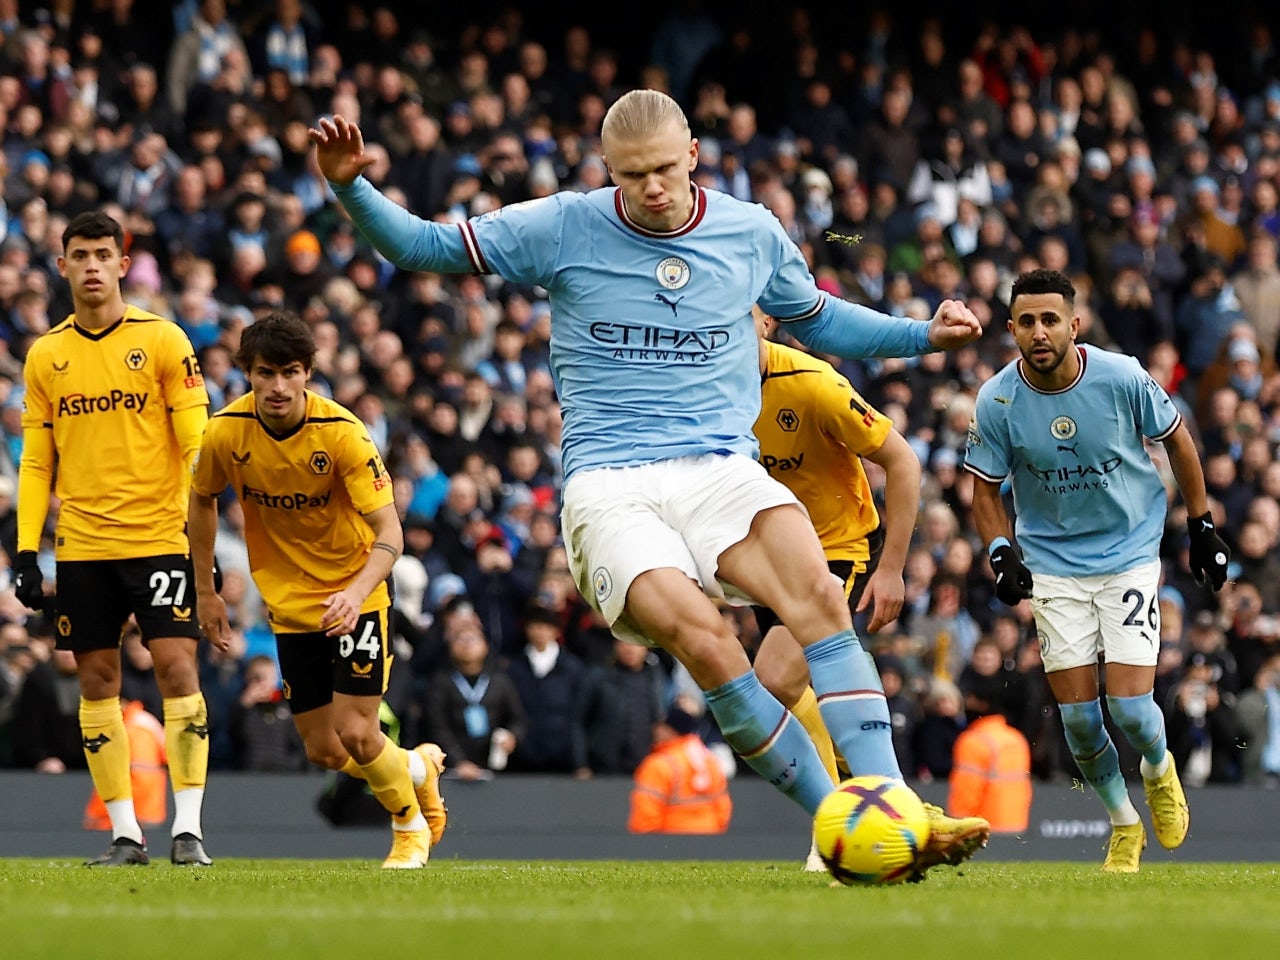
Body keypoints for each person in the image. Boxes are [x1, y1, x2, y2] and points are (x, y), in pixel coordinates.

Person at [310, 89, 984, 877]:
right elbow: (425, 247)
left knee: (822, 602)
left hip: (722, 469)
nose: (652, 188)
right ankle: (841, 824)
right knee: (706, 643)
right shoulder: (563, 224)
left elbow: (819, 319)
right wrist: (351, 185)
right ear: (609, 170)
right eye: (632, 176)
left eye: (665, 169)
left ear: (694, 154)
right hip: (610, 485)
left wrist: (921, 336)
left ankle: (895, 811)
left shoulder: (750, 231)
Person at [965, 267, 1232, 873]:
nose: (1039, 331)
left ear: (1074, 325)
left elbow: (1179, 441)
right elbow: (982, 491)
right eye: (1027, 321)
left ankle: (1159, 770)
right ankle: (1123, 823)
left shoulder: (1121, 376)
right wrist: (1000, 553)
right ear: (1011, 329)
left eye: (1050, 319)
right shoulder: (997, 399)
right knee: (1081, 725)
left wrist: (1202, 524)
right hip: (1055, 568)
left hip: (1129, 556)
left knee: (1133, 711)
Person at [188, 312, 446, 869]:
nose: (278, 387)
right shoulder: (226, 432)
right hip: (290, 604)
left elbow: (390, 534)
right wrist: (206, 589)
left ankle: (409, 827)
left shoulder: (343, 435)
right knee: (324, 750)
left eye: (290, 372)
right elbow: (202, 498)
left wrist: (354, 595)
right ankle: (417, 769)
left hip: (358, 595)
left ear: (307, 372)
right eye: (265, 373)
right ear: (246, 374)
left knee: (356, 732)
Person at [751, 307, 989, 870]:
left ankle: (840, 820)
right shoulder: (701, 384)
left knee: (772, 681)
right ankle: (898, 815)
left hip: (834, 548)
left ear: (766, 323)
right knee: (784, 687)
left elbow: (903, 462)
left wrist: (892, 570)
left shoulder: (812, 385)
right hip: (762, 552)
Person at [15, 210, 215, 867]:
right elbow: (37, 462)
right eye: (81, 255)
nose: (93, 265)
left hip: (158, 536)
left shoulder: (164, 341)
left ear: (124, 265)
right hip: (82, 547)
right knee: (96, 679)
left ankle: (188, 830)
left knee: (177, 668)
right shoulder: (46, 355)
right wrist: (25, 549)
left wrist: (199, 516)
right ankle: (126, 834)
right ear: (64, 265)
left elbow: (196, 439)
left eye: (105, 253)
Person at [628, 697, 733, 835]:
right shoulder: (709, 761)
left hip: (671, 842)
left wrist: (647, 845)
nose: (656, 730)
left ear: (672, 730)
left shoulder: (658, 765)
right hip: (709, 837)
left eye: (662, 726)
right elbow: (722, 807)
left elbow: (646, 813)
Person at [948, 667, 1033, 833]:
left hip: (981, 830)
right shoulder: (1017, 739)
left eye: (969, 699)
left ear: (981, 703)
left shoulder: (973, 741)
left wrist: (958, 829)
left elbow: (966, 793)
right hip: (1015, 827)